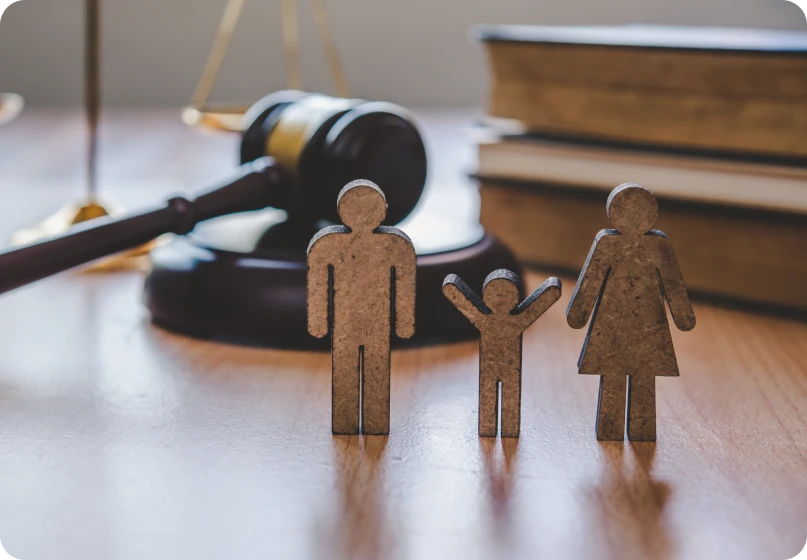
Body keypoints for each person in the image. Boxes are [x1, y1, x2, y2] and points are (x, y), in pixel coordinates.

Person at [567, 183, 696, 441]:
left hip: (644, 326)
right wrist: (683, 317)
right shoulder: (609, 243)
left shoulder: (656, 245)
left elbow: (672, 283)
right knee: (620, 375)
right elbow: (592, 278)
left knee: (639, 377)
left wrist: (578, 314)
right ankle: (614, 429)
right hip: (618, 327)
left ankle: (635, 430)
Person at [307, 180, 416, 435]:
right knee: (346, 368)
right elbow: (318, 281)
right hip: (346, 324)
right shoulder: (328, 244)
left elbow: (404, 283)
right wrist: (318, 322)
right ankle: (348, 421)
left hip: (375, 323)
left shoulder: (395, 246)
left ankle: (373, 421)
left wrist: (404, 323)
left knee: (375, 367)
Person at [443, 269, 561, 437]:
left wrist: (551, 290)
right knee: (489, 395)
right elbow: (462, 300)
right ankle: (492, 428)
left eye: (505, 294)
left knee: (507, 397)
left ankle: (506, 429)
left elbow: (539, 303)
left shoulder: (510, 320)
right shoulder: (490, 319)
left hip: (509, 367)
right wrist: (451, 287)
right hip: (492, 367)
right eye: (496, 294)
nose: (500, 300)